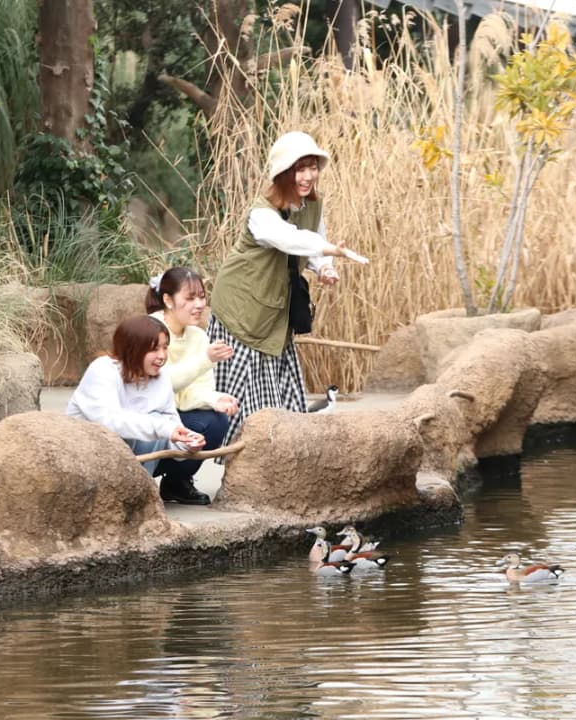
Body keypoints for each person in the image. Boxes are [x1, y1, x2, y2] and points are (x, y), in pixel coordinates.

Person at [208, 130, 368, 441]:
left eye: (313, 168)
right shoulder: (261, 213)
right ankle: (224, 464)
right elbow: (287, 238)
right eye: (300, 168)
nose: (309, 176)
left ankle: (274, 460)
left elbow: (312, 244)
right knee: (238, 399)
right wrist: (329, 250)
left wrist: (325, 267)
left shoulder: (312, 205)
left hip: (275, 315)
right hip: (241, 312)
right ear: (283, 173)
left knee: (279, 400)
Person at [65, 314, 212, 505]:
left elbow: (170, 422)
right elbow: (109, 422)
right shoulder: (102, 370)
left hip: (133, 458)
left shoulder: (161, 377)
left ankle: (137, 491)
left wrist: (186, 442)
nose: (162, 356)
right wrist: (166, 428)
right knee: (154, 421)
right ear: (132, 349)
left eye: (165, 347)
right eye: (154, 349)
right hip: (90, 459)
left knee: (198, 422)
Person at [146, 266, 237, 478]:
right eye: (190, 298)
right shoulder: (150, 329)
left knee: (216, 421)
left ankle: (178, 483)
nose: (199, 305)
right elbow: (161, 385)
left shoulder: (198, 336)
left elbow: (194, 391)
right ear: (168, 300)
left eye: (202, 297)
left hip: (175, 414)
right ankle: (143, 477)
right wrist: (206, 359)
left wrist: (216, 400)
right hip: (148, 416)